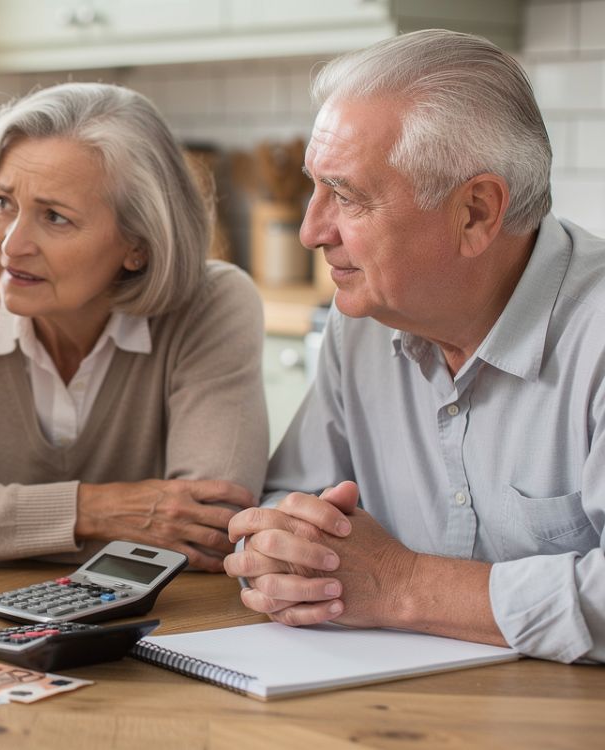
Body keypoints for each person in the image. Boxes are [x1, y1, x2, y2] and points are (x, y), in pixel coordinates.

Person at [223, 29, 605, 663]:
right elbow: (288, 503)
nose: (312, 230)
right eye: (314, 188)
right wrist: (279, 549)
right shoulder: (364, 319)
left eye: (345, 195)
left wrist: (400, 584)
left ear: (476, 213)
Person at [0, 82, 268, 570]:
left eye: (55, 217)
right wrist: (93, 511)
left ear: (137, 243)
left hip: (160, 632)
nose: (11, 246)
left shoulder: (212, 305)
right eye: (2, 203)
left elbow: (210, 535)